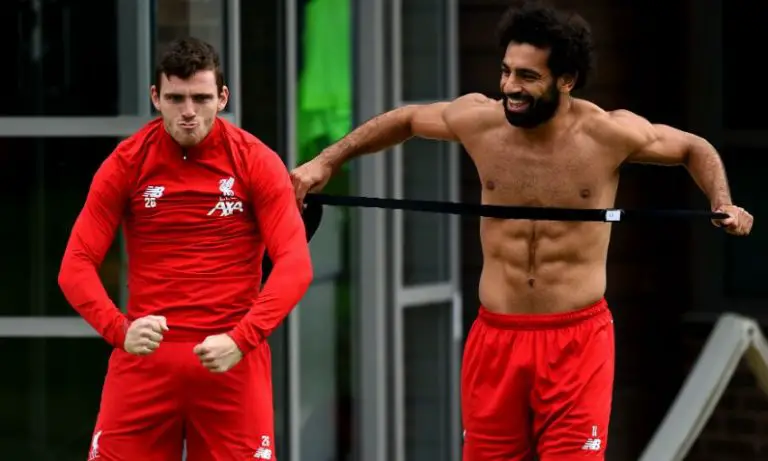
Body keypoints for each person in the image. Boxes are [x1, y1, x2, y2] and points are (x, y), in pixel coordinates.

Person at [290, 1, 753, 460]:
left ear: (566, 80)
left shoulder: (610, 135)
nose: (510, 86)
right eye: (507, 71)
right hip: (497, 338)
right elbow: (407, 120)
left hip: (577, 340)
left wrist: (722, 202)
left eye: (528, 77)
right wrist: (324, 162)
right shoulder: (481, 121)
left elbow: (694, 147)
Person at [58, 37, 313, 461]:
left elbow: (295, 264)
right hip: (145, 362)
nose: (189, 111)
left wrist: (241, 338)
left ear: (222, 97)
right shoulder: (126, 162)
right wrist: (119, 330)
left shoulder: (255, 160)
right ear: (155, 97)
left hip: (232, 360)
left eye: (201, 97)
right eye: (176, 98)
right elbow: (75, 266)